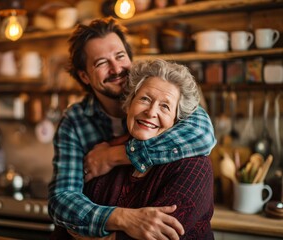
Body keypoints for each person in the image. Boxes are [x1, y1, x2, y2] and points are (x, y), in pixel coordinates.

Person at [48, 17, 216, 239]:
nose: (116, 68)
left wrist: (115, 156)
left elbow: (204, 134)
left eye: (120, 56)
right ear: (84, 76)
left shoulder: (167, 97)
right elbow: (63, 201)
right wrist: (123, 218)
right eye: (101, 63)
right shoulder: (75, 121)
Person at [81, 59, 214, 239]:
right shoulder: (105, 153)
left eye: (165, 106)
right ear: (129, 104)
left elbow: (162, 234)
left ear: (177, 120)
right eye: (145, 98)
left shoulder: (194, 166)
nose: (151, 112)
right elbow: (72, 219)